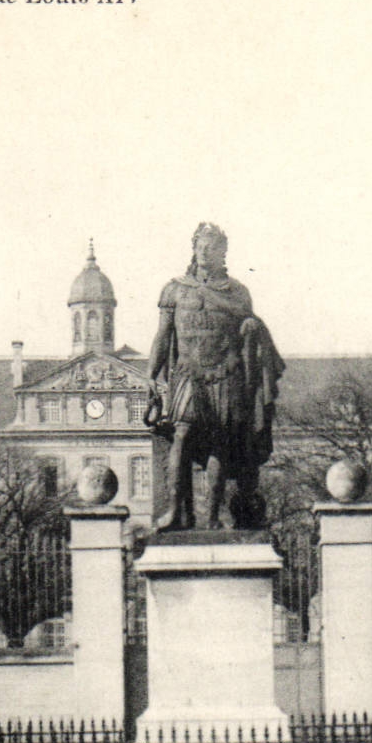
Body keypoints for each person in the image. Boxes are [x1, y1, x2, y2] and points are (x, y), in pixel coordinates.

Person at [147, 222, 284, 531]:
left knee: (219, 443)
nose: (204, 252)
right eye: (200, 247)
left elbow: (250, 329)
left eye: (211, 247)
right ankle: (175, 511)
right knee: (181, 436)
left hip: (226, 374)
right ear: (194, 249)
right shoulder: (174, 289)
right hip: (188, 373)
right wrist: (150, 375)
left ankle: (211, 517)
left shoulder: (238, 292)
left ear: (223, 252)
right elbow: (162, 336)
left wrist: (251, 326)